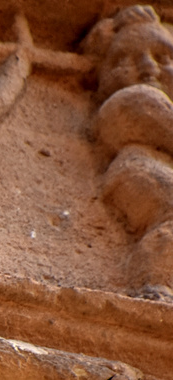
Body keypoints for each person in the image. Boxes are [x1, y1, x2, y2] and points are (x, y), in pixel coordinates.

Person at [85, 4, 173, 299]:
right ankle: (156, 284)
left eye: (163, 57)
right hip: (138, 170)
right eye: (128, 59)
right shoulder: (132, 100)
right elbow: (157, 124)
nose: (149, 67)